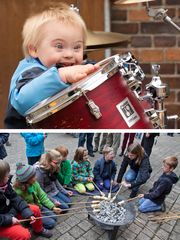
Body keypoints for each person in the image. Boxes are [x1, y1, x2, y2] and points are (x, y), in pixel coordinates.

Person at [4, 3, 99, 129]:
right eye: (59, 46)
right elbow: (22, 101)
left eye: (77, 47)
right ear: (34, 50)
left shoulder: (67, 65)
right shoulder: (30, 71)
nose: (70, 54)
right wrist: (60, 76)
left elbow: (88, 65)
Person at [0, 160, 52, 239]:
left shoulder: (5, 185)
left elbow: (15, 198)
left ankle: (38, 229)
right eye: (6, 176)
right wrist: (9, 220)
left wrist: (27, 213)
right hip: (2, 221)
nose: (9, 176)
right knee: (24, 235)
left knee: (35, 209)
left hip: (10, 212)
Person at [14, 162, 61, 230]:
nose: (36, 177)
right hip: (31, 213)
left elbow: (42, 196)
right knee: (51, 223)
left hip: (39, 206)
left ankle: (42, 217)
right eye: (33, 177)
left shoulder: (34, 183)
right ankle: (30, 224)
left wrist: (52, 207)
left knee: (55, 217)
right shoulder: (19, 192)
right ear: (26, 180)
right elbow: (22, 208)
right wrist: (30, 216)